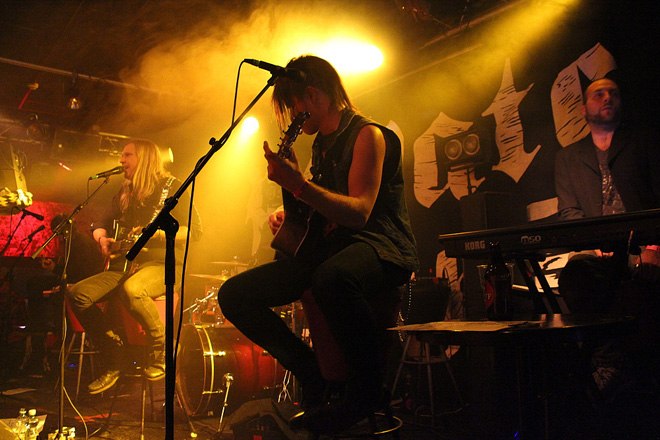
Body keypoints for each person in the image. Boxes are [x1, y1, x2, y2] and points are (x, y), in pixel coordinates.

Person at [217, 55, 418, 434]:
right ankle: (310, 371)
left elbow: (359, 212)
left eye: (292, 105)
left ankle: (365, 390)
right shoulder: (322, 145)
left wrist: (299, 185)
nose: (291, 116)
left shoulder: (368, 135)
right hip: (336, 250)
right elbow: (323, 209)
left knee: (331, 278)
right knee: (234, 295)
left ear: (312, 95)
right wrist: (291, 207)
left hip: (382, 247)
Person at [67, 139, 201, 394]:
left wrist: (157, 234)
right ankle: (115, 353)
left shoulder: (172, 187)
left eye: (127, 155)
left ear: (145, 159)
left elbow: (195, 231)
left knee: (133, 290)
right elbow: (100, 224)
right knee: (77, 294)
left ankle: (164, 349)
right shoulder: (125, 191)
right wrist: (102, 239)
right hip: (126, 264)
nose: (121, 160)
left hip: (162, 263)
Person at [555, 75, 660, 400]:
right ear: (584, 107)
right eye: (598, 94)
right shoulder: (568, 157)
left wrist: (654, 246)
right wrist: (593, 243)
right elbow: (569, 212)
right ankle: (610, 362)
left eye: (613, 93)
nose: (607, 98)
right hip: (599, 252)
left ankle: (608, 364)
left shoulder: (643, 142)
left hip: (642, 247)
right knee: (576, 273)